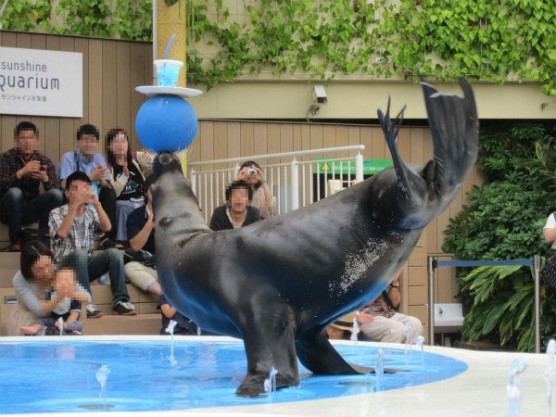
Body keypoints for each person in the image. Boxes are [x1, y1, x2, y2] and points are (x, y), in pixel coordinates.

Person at [48, 170, 136, 318]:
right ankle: (86, 303)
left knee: (114, 253)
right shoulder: (56, 213)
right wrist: (74, 208)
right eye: (75, 189)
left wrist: (97, 203)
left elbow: (107, 227)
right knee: (81, 254)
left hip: (84, 267)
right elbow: (62, 233)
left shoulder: (90, 212)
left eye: (84, 188)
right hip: (63, 268)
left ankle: (121, 301)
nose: (80, 193)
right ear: (67, 193)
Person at [0, 121, 64, 251]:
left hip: (31, 209)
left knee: (56, 194)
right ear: (16, 140)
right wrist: (20, 173)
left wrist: (45, 179)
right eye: (23, 138)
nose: (27, 142)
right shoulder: (6, 158)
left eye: (31, 138)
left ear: (36, 140)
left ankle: (43, 236)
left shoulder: (43, 160)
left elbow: (57, 192)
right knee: (15, 192)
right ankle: (16, 240)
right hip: (7, 210)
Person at [9, 240, 87, 336]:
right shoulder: (19, 279)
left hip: (61, 313)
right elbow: (39, 312)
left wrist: (72, 293)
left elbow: (86, 296)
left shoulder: (58, 271)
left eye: (48, 265)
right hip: (31, 316)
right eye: (39, 269)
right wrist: (58, 297)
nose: (46, 272)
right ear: (29, 269)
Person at [57, 123, 115, 247]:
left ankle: (107, 237)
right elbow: (63, 184)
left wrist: (103, 180)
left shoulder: (99, 158)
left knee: (110, 194)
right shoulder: (68, 157)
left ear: (97, 143)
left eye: (93, 141)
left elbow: (106, 183)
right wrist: (90, 177)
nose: (88, 144)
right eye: (85, 140)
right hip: (74, 194)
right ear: (78, 142)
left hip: (94, 195)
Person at [105, 128, 146, 246]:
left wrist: (149, 157)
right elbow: (114, 193)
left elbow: (152, 161)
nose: (120, 145)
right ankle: (122, 241)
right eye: (116, 141)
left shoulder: (135, 159)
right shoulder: (108, 165)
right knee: (122, 205)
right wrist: (124, 177)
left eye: (123, 141)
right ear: (109, 146)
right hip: (124, 203)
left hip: (142, 201)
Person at [357, 273, 423, 343]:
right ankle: (385, 353)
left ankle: (406, 353)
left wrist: (394, 283)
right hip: (367, 316)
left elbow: (395, 303)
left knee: (415, 324)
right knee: (397, 329)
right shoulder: (360, 277)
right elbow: (367, 301)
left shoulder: (382, 274)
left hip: (388, 314)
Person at [125, 174, 161, 296]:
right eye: (153, 189)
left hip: (169, 268)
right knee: (130, 268)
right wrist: (149, 224)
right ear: (146, 192)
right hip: (148, 267)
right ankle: (164, 295)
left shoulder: (172, 215)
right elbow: (135, 246)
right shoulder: (135, 216)